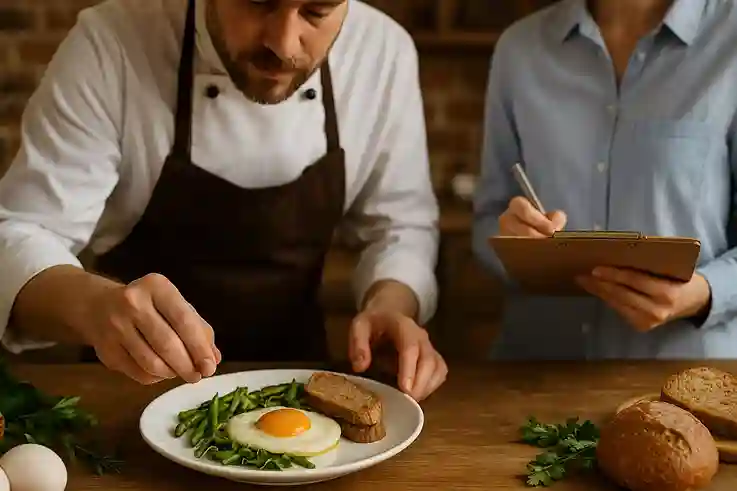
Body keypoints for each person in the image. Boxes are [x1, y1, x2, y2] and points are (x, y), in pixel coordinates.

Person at [0, 0, 447, 401]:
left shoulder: (383, 53)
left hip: (297, 391)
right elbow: (19, 234)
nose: (283, 44)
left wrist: (391, 305)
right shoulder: (113, 43)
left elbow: (401, 226)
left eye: (316, 11)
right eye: (258, 3)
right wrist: (95, 307)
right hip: (128, 392)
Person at [473, 0, 737, 359]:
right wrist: (511, 240)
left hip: (682, 385)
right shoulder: (519, 50)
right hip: (533, 375)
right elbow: (487, 220)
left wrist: (707, 292)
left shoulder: (730, 37)